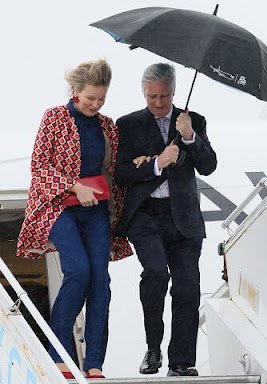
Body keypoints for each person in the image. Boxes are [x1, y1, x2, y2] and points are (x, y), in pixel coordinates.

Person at [16, 59, 133, 379]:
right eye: (90, 98)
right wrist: (73, 185)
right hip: (58, 208)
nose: (95, 105)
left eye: (101, 100)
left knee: (101, 282)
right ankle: (59, 355)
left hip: (96, 211)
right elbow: (39, 168)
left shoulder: (108, 125)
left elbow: (113, 170)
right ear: (75, 91)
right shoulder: (54, 118)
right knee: (78, 270)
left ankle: (94, 362)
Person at [113, 63, 217, 377]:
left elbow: (209, 165)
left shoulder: (193, 121)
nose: (158, 103)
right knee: (156, 273)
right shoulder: (128, 125)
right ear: (144, 93)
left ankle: (182, 361)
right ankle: (153, 348)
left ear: (173, 91)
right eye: (152, 96)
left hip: (184, 218)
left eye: (164, 96)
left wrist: (189, 138)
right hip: (146, 216)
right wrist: (157, 163)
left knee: (188, 288)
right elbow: (120, 173)